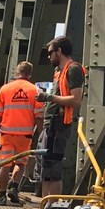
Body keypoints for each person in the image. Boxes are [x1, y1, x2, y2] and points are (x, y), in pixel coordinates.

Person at [34, 36, 86, 199]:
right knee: (45, 170)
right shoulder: (59, 72)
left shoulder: (73, 69)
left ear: (60, 51)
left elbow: (76, 100)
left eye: (51, 53)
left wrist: (49, 98)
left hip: (58, 126)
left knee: (53, 169)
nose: (49, 57)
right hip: (50, 126)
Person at [0, 60, 44, 205]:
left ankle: (1, 196)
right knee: (20, 163)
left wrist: (0, 127)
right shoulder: (35, 90)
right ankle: (14, 187)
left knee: (4, 164)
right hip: (25, 135)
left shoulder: (5, 89)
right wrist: (40, 134)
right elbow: (39, 116)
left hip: (6, 134)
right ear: (30, 74)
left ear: (16, 72)